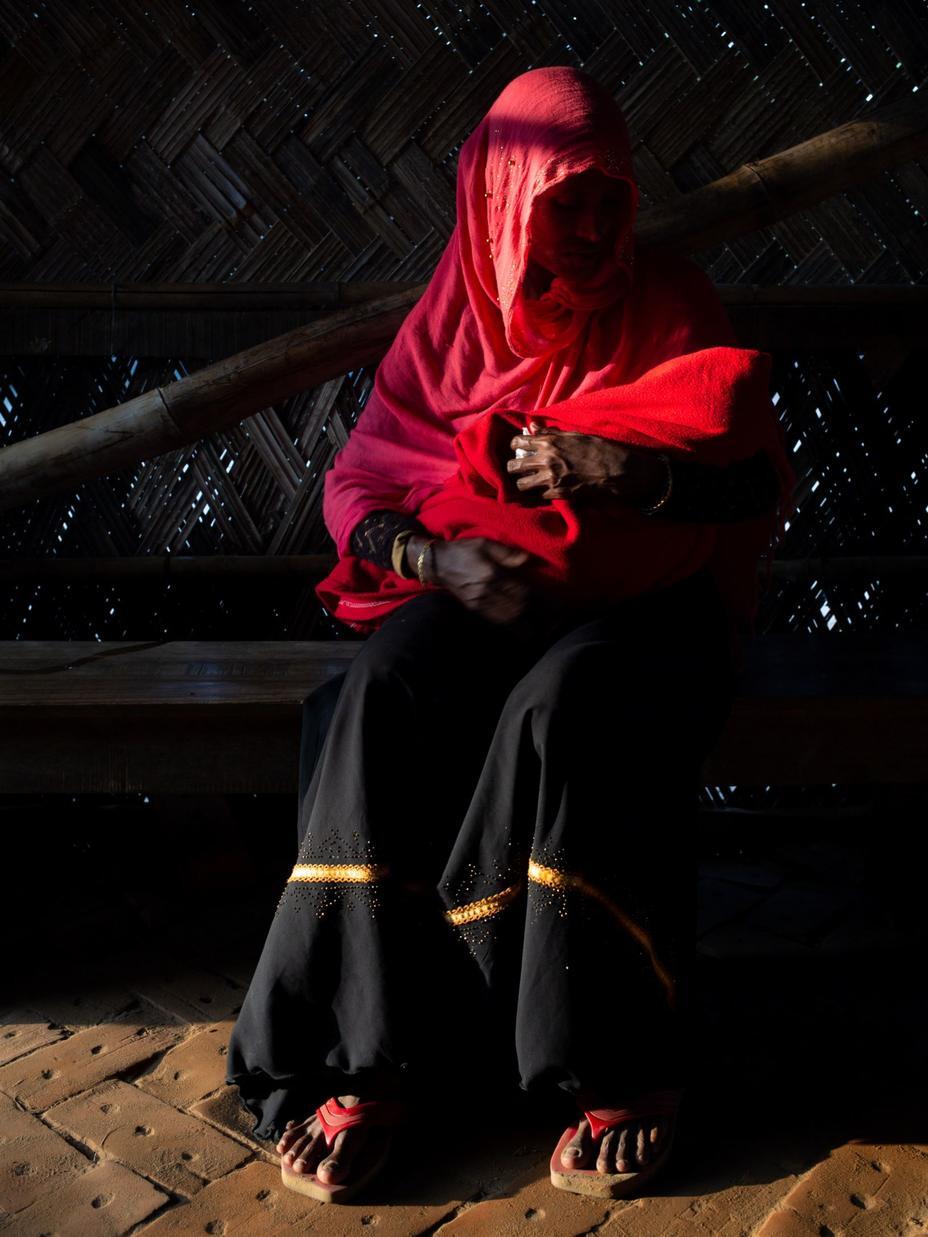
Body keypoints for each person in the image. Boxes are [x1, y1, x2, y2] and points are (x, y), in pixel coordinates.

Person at [226, 66, 793, 1204]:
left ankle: (620, 1060)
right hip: (501, 590)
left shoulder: (669, 303)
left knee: (570, 706)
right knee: (380, 687)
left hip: (651, 605)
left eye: (606, 202)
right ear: (499, 202)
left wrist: (630, 472)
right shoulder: (448, 328)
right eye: (560, 203)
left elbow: (756, 489)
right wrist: (439, 562)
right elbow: (359, 489)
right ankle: (376, 1058)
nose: (589, 231)